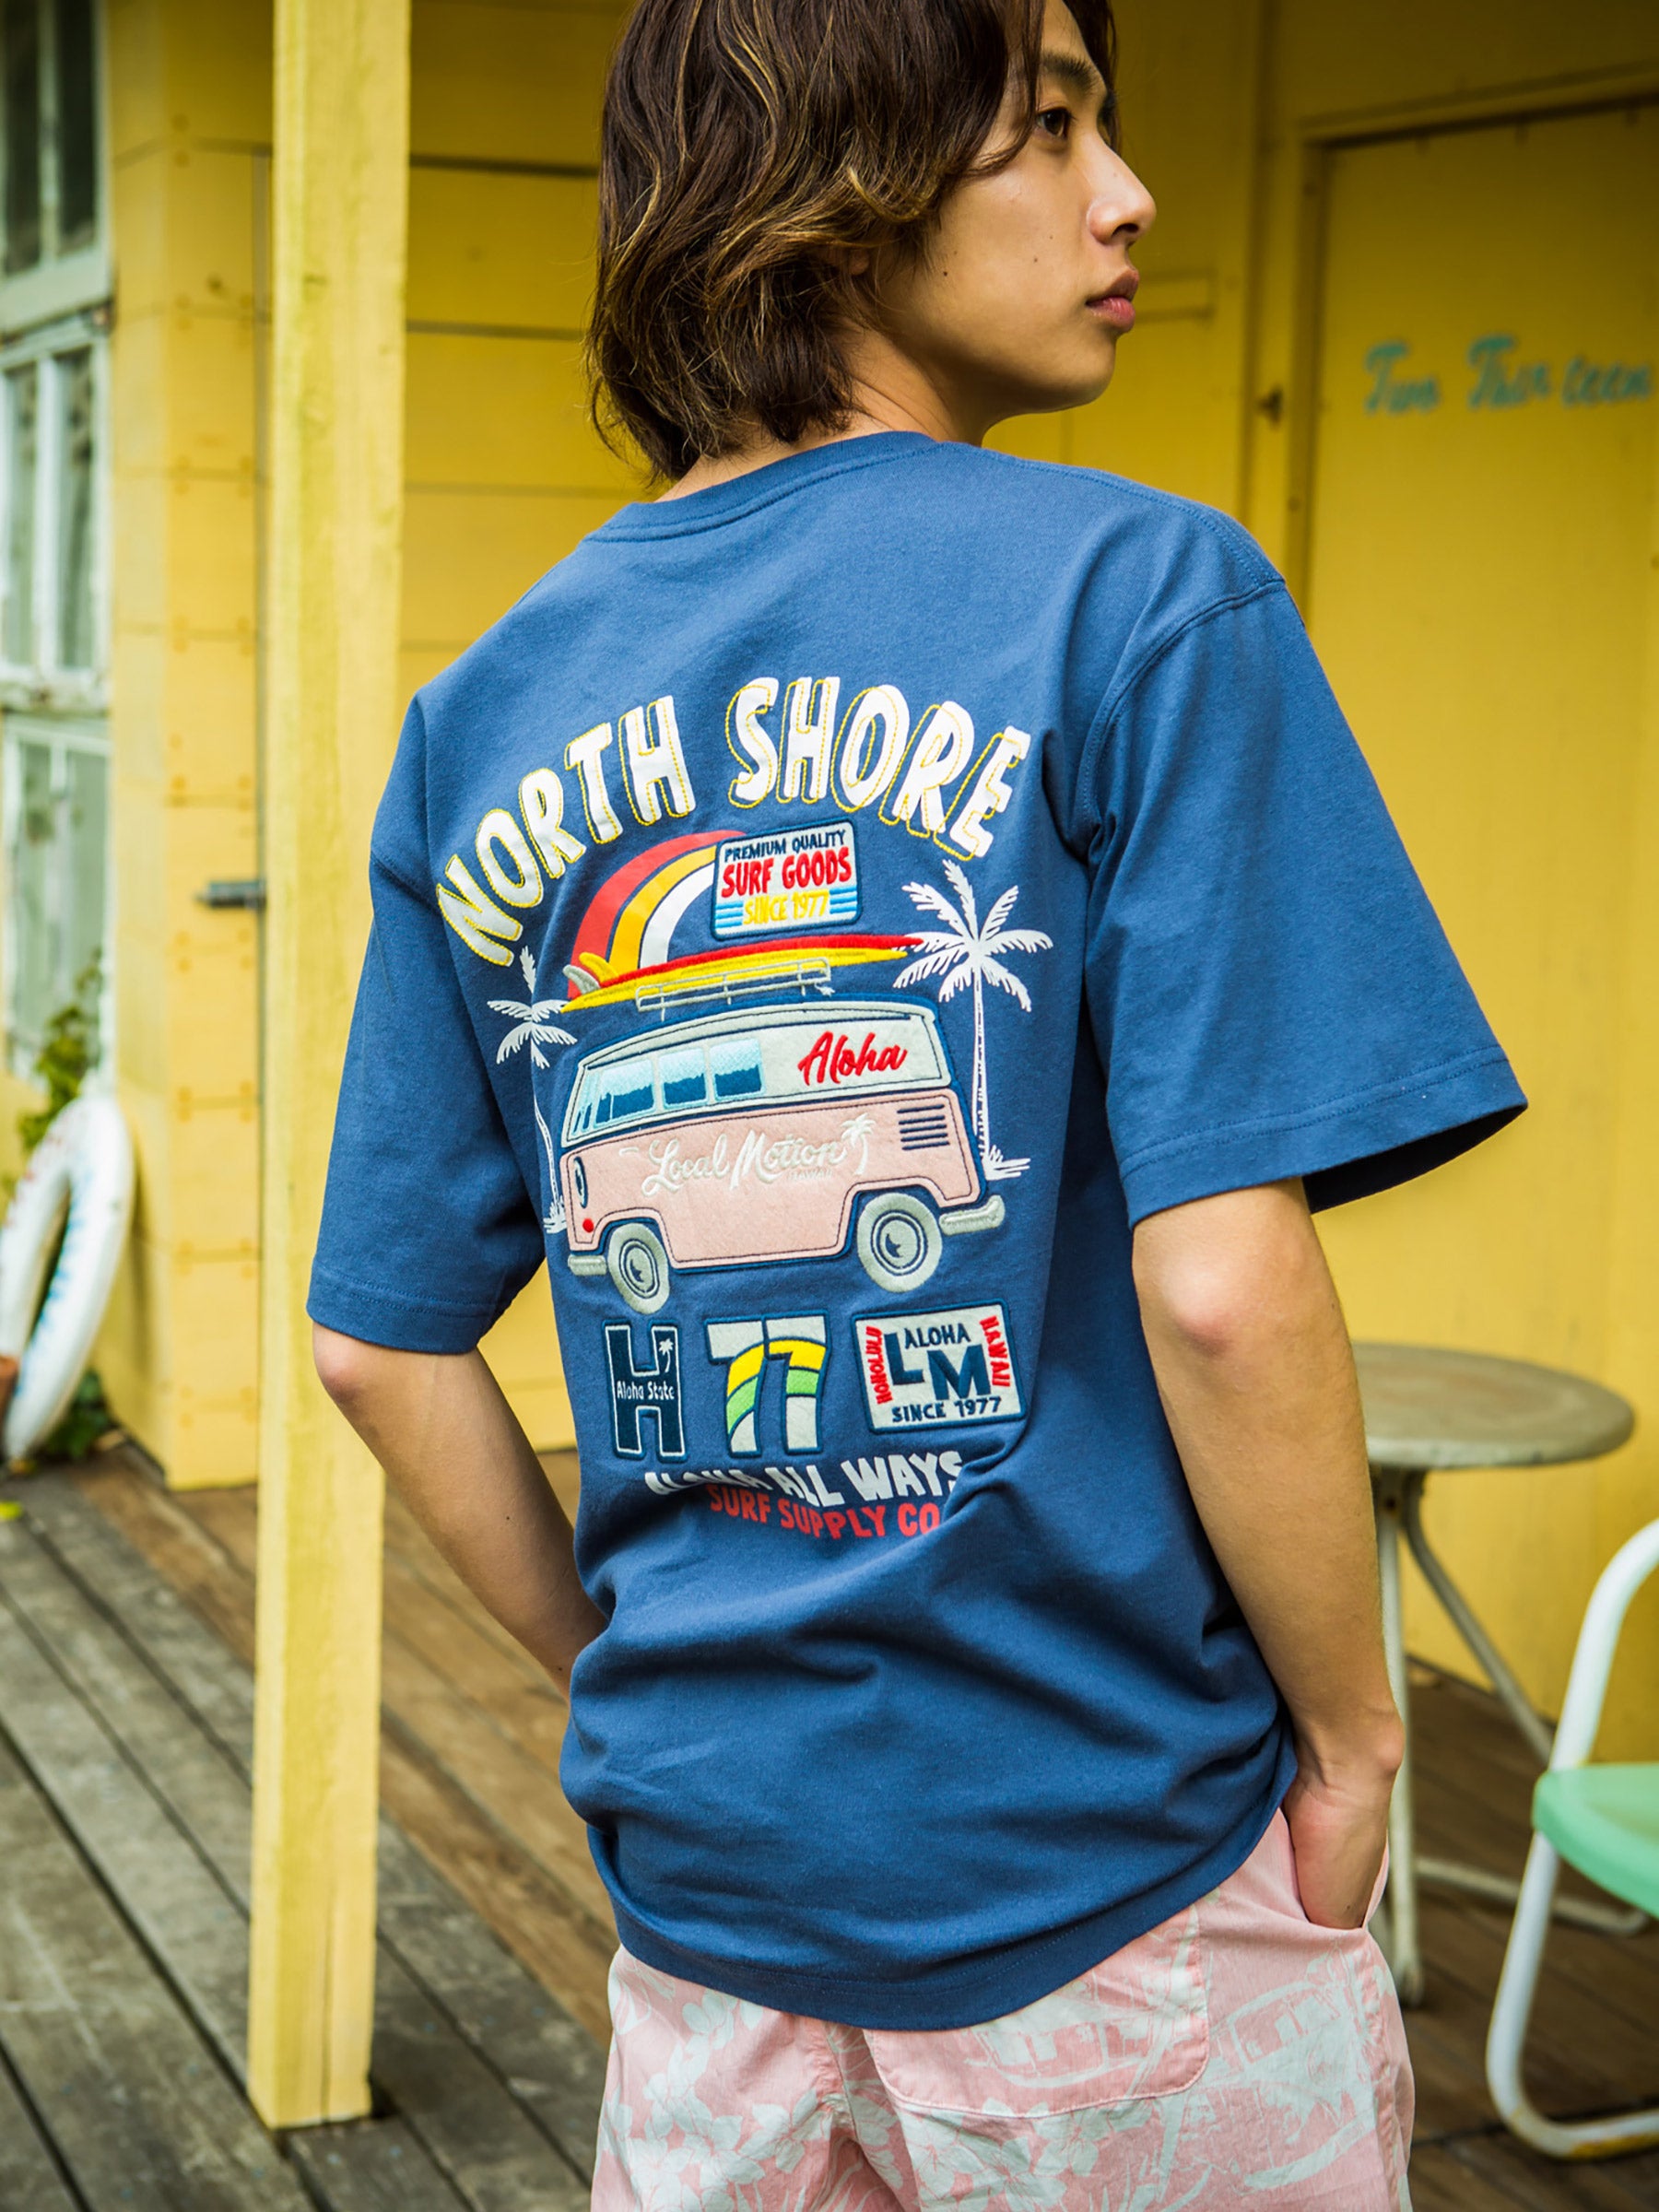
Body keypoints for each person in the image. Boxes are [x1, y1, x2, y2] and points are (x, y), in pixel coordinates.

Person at [309, 0, 1524, 2202]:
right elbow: (1223, 1285)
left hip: (707, 1926)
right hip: (1113, 1877)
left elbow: (375, 1347)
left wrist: (629, 1675)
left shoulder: (477, 713)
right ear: (838, 183)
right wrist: (1361, 1737)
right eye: (1050, 125)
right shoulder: (1144, 596)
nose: (1127, 195)